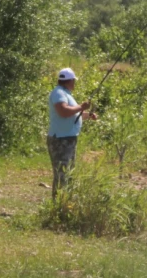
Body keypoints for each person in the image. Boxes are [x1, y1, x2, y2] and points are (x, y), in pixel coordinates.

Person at [47, 67, 97, 197]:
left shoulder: (65, 94)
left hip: (68, 140)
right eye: (74, 81)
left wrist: (87, 114)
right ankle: (58, 207)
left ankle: (65, 203)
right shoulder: (58, 93)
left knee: (68, 173)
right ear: (69, 81)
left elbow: (72, 114)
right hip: (61, 141)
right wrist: (81, 107)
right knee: (62, 175)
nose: (74, 83)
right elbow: (63, 112)